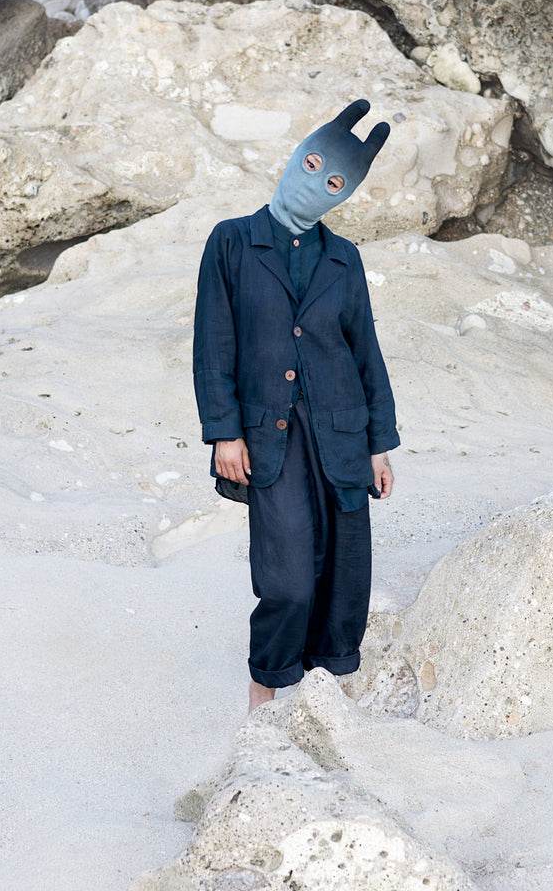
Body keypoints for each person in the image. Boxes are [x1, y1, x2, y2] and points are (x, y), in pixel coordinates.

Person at [193, 100, 399, 712]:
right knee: (285, 576)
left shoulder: (345, 258)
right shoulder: (231, 241)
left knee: (344, 572)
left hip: (341, 431)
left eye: (333, 181)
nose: (315, 183)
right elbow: (213, 342)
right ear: (293, 157)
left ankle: (324, 694)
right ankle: (266, 690)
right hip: (267, 438)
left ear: (343, 196)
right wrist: (223, 433)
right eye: (310, 163)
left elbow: (367, 352)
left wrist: (379, 445)